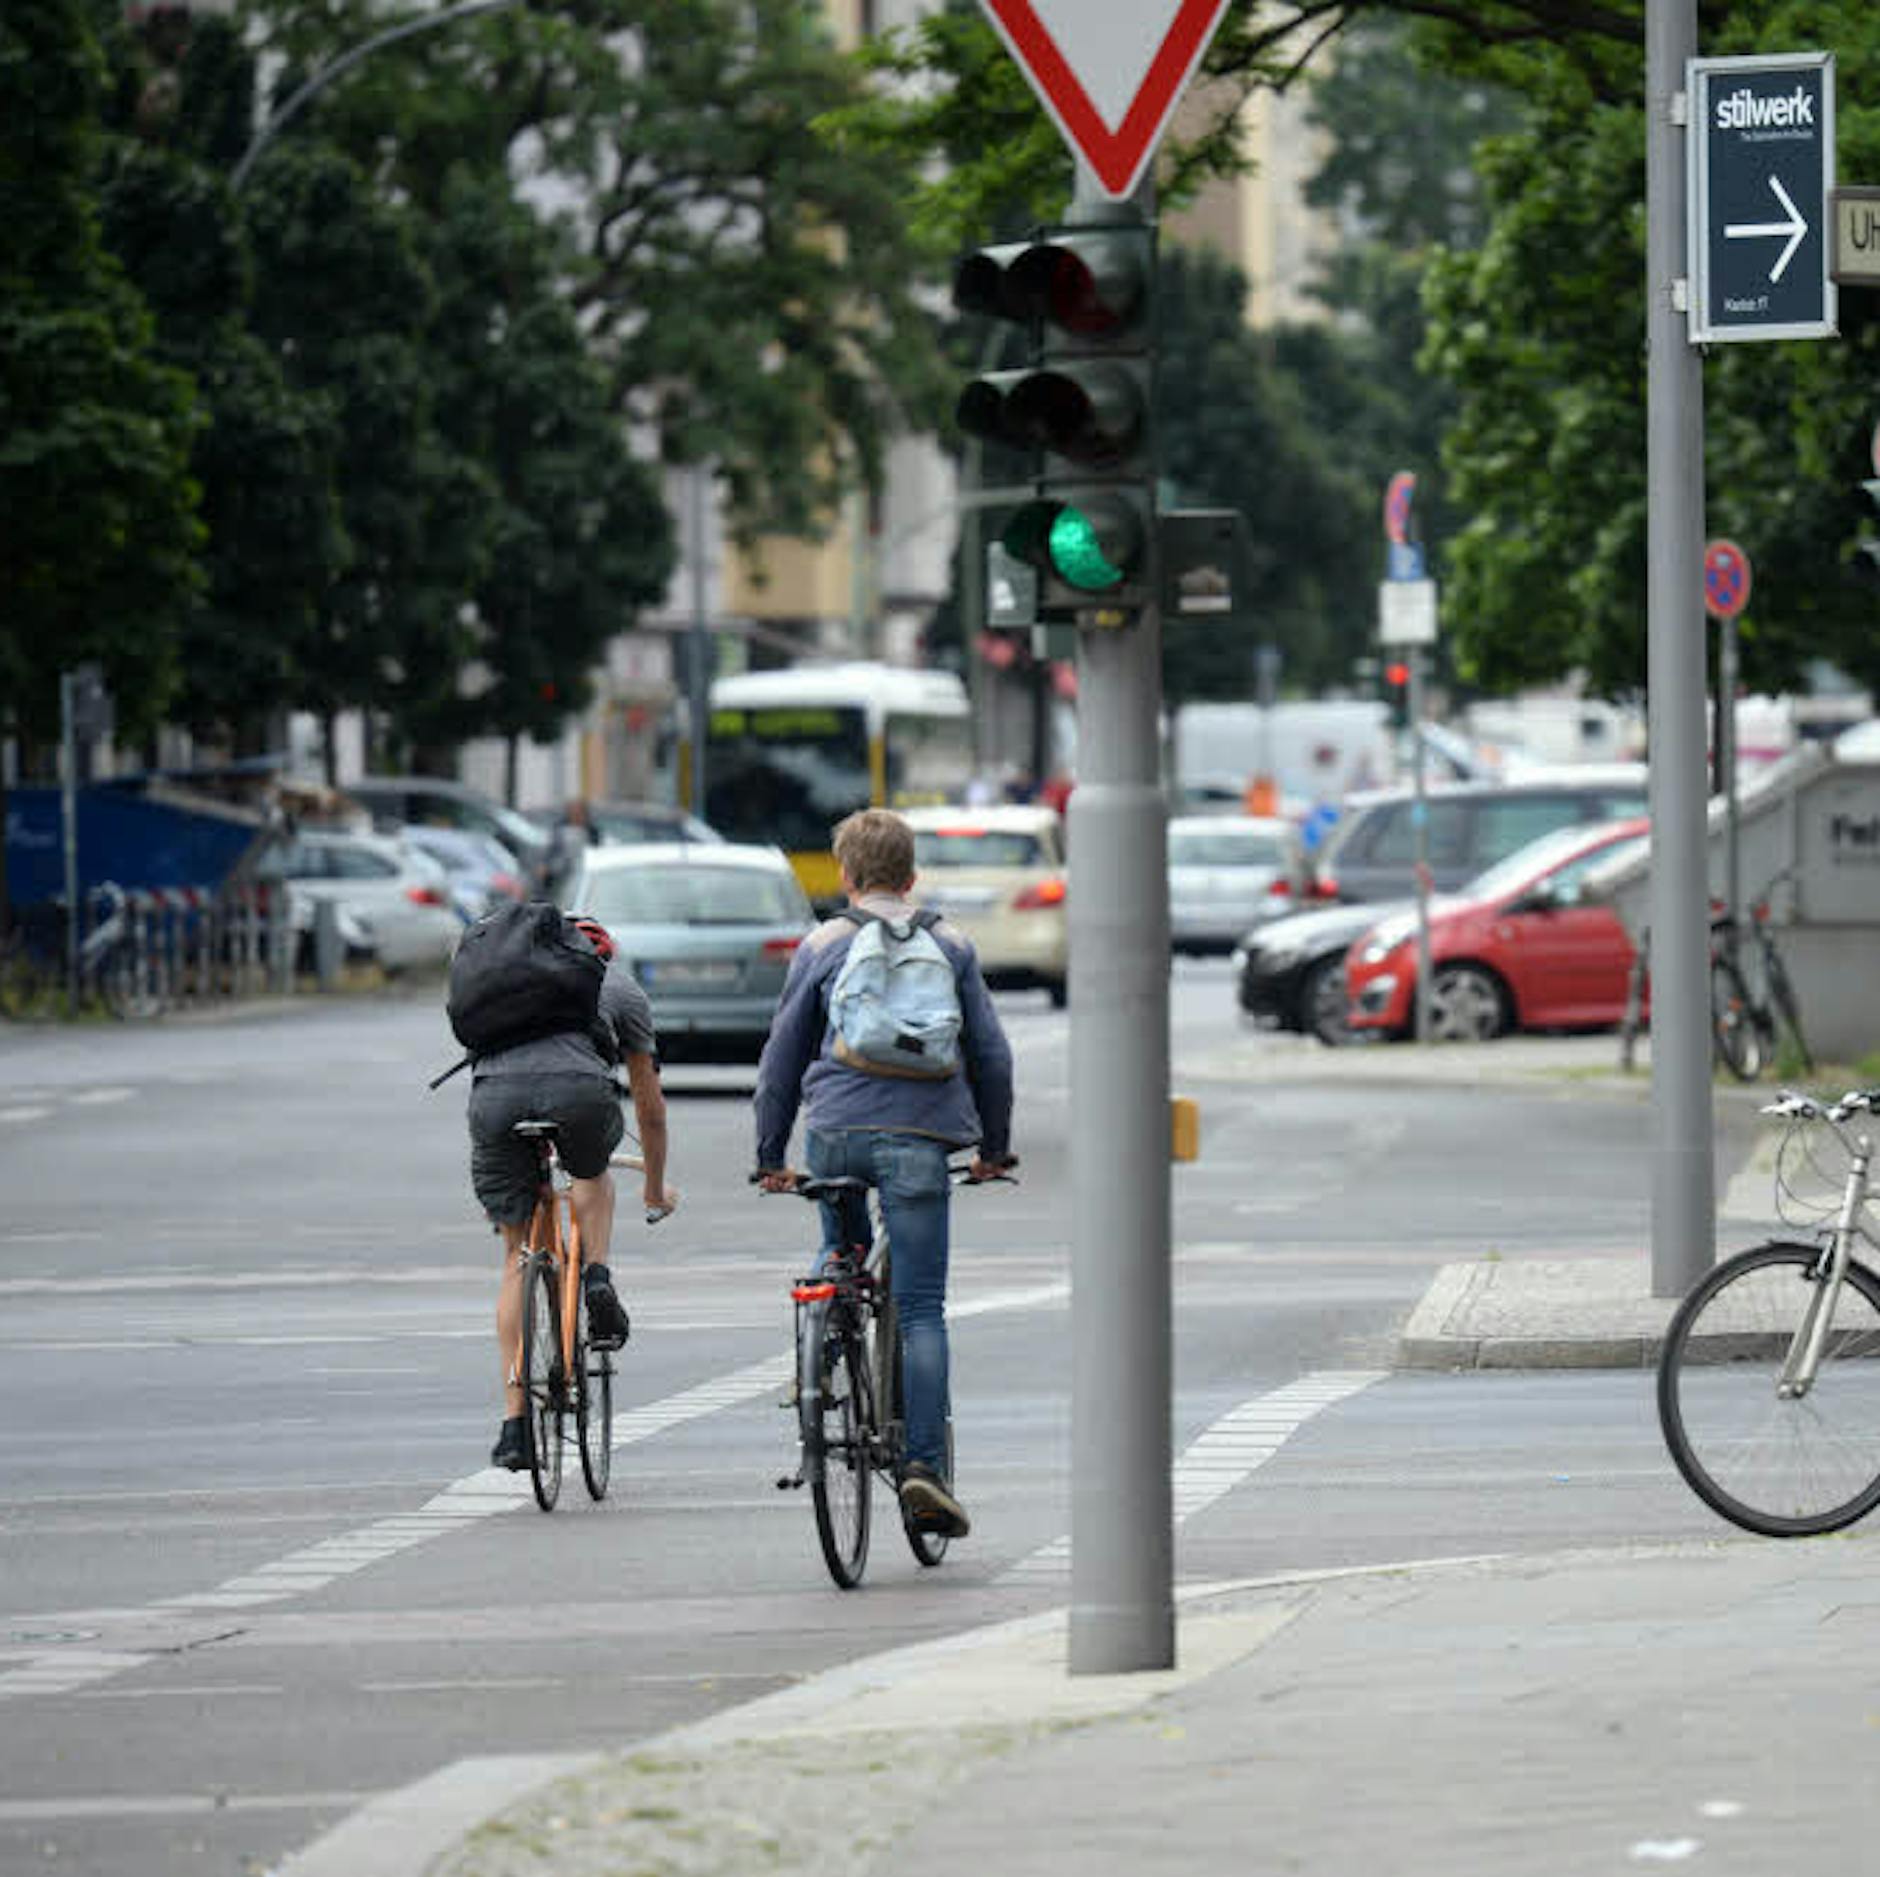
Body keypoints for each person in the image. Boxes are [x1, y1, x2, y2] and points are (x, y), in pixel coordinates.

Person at [753, 808, 1014, 1539]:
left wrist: (771, 1154)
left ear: (844, 873)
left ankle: (819, 1347)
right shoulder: (952, 944)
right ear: (911, 875)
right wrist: (993, 1146)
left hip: (835, 1130)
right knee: (922, 1307)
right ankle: (924, 1469)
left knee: (839, 1242)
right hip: (921, 1139)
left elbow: (782, 1058)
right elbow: (991, 1056)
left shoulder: (822, 943)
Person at [468, 914, 678, 1471]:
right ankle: (597, 1277)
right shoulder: (620, 987)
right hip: (579, 1095)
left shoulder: (505, 983)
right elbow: (650, 1111)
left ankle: (515, 1426)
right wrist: (654, 1189)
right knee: (591, 1171)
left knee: (517, 1255)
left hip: (495, 1100)